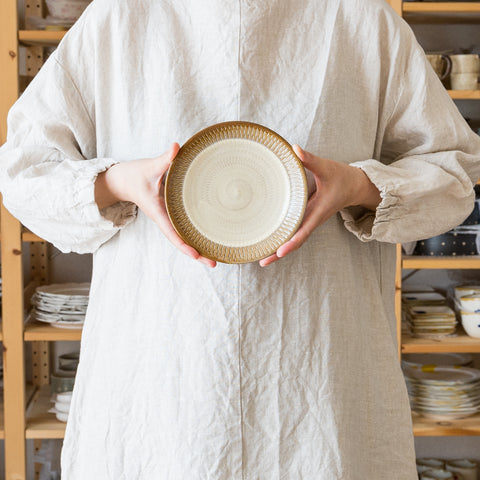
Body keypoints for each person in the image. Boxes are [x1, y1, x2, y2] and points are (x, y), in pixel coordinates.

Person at [1, 0, 480, 478]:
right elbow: (23, 170)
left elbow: (453, 173)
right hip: (160, 370)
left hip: (320, 370)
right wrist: (122, 182)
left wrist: (356, 185)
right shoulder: (120, 17)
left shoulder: (358, 19)